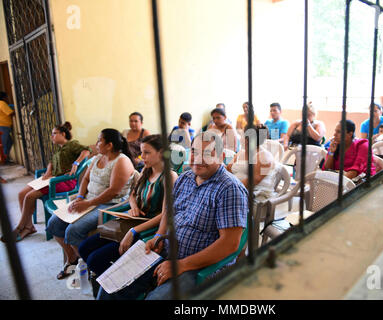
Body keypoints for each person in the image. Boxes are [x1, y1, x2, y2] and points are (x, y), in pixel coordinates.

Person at [97, 131, 248, 300]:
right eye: (195, 151)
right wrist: (159, 235)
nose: (198, 158)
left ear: (221, 157)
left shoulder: (230, 189)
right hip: (165, 252)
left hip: (199, 268)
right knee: (110, 286)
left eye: (208, 153)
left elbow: (230, 244)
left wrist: (182, 265)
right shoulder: (185, 178)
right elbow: (169, 211)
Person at [79, 134, 178, 277]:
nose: (142, 156)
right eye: (141, 152)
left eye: (147, 152)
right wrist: (134, 207)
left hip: (148, 227)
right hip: (133, 221)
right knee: (84, 248)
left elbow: (165, 214)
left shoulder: (169, 177)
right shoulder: (146, 170)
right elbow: (132, 194)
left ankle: (116, 282)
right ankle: (107, 280)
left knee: (95, 259)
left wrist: (133, 231)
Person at [46, 128, 135, 280]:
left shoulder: (121, 161)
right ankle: (73, 258)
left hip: (109, 205)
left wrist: (88, 203)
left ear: (110, 145)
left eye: (100, 140)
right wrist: (80, 197)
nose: (96, 143)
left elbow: (113, 191)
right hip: (88, 200)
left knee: (72, 231)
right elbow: (85, 179)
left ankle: (90, 266)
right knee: (54, 223)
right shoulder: (97, 158)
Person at [0, 122, 91, 242]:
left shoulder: (72, 144)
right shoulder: (59, 150)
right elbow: (51, 163)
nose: (51, 136)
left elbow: (87, 150)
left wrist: (76, 163)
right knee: (21, 194)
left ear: (63, 134)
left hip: (64, 182)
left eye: (54, 133)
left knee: (29, 196)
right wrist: (48, 171)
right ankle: (29, 227)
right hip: (52, 179)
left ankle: (20, 227)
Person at [0, 91, 14, 161]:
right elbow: (10, 113)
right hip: (3, 126)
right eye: (6, 97)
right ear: (4, 97)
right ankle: (4, 159)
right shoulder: (2, 103)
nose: (7, 99)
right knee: (4, 143)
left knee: (9, 142)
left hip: (3, 126)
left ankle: (5, 157)